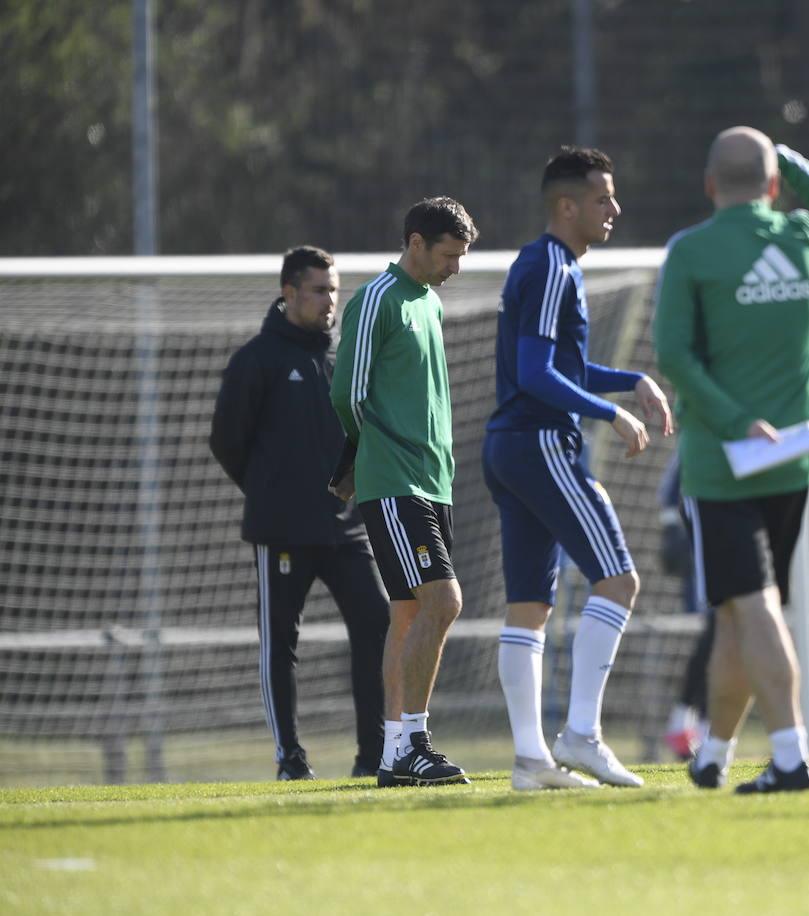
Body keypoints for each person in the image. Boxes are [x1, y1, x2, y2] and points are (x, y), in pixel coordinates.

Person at [654, 126, 809, 793]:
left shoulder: (690, 251)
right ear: (775, 184)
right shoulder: (806, 240)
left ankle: (790, 758)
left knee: (752, 607)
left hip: (720, 467)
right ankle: (715, 753)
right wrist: (791, 158)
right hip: (792, 465)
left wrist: (733, 419)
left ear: (709, 184)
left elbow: (672, 358)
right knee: (734, 613)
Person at [482, 146, 673, 791]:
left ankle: (532, 761)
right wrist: (613, 414)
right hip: (539, 444)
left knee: (529, 607)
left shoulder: (550, 265)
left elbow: (557, 366)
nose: (614, 209)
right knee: (618, 582)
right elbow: (537, 376)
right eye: (601, 199)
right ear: (566, 206)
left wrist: (631, 381)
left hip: (511, 448)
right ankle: (581, 736)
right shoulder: (550, 266)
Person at [210, 245, 390, 780]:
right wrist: (270, 491)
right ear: (289, 293)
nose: (329, 300)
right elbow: (227, 443)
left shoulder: (343, 359)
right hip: (283, 530)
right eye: (318, 290)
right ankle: (291, 759)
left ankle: (373, 756)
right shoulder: (256, 360)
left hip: (346, 530)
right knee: (281, 641)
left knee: (377, 624)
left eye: (334, 290)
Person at [329, 197, 479, 787]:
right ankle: (415, 742)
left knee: (410, 614)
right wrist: (371, 454)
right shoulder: (375, 300)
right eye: (449, 255)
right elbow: (348, 393)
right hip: (395, 481)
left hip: (433, 479)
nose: (456, 268)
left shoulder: (432, 304)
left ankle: (394, 755)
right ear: (416, 243)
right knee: (445, 602)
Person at [658, 453, 714, 760]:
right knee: (716, 633)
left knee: (724, 636)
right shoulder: (693, 444)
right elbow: (669, 491)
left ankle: (695, 726)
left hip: (733, 537)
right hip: (702, 549)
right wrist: (671, 531)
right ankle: (689, 723)